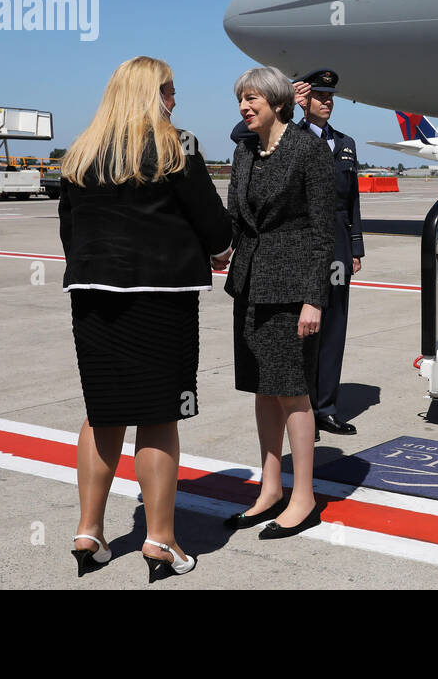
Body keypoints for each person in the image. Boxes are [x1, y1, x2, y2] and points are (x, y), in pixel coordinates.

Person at [59, 56, 232, 583]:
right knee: (159, 416)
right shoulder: (178, 147)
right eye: (170, 90)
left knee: (102, 413)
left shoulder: (81, 153)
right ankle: (161, 540)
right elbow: (214, 225)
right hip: (161, 298)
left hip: (92, 298)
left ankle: (89, 531)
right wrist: (221, 251)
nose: (175, 99)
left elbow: (69, 231)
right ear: (150, 94)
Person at [223, 65, 335, 539]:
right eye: (241, 100)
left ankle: (304, 496)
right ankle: (270, 489)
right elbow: (236, 216)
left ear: (277, 102)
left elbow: (321, 232)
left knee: (292, 390)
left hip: (291, 290)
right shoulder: (245, 149)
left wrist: (315, 299)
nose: (245, 108)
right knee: (263, 388)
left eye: (252, 100)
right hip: (249, 284)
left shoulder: (308, 149)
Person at [292, 69, 364, 437]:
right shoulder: (291, 137)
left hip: (336, 240)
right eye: (319, 96)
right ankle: (301, 411)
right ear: (305, 100)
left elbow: (351, 201)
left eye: (330, 97)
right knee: (305, 329)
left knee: (334, 326)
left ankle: (326, 408)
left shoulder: (346, 143)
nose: (327, 103)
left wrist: (354, 247)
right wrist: (287, 106)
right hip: (302, 240)